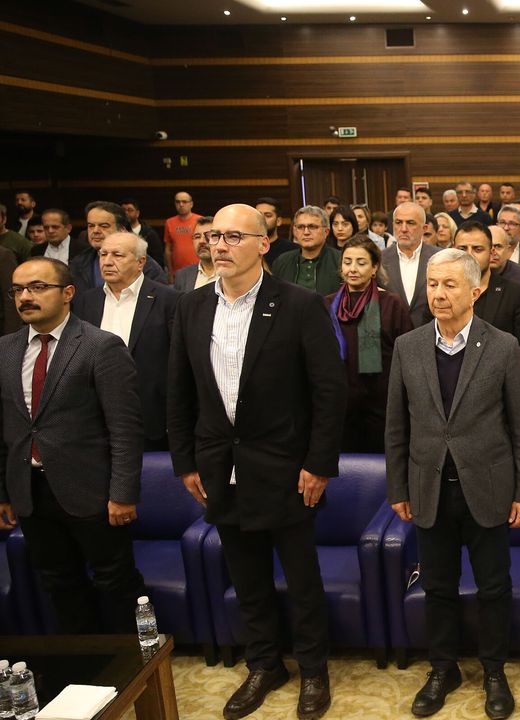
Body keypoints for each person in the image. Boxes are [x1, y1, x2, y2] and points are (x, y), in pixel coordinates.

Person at [168, 204, 346, 720]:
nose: (219, 246)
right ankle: (264, 664)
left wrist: (319, 463)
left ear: (264, 244)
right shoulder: (191, 306)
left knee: (301, 579)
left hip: (286, 467)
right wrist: (185, 462)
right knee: (246, 577)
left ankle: (313, 670)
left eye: (233, 237)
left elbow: (329, 392)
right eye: (214, 236)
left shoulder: (299, 305)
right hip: (219, 464)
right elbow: (178, 390)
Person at [385, 248, 520, 720]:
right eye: (432, 284)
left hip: (487, 487)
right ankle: (442, 668)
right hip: (429, 487)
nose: (438, 293)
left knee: (493, 586)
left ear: (475, 291)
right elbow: (396, 426)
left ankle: (494, 670)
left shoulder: (503, 346)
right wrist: (398, 488)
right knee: (437, 587)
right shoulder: (408, 347)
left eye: (449, 285)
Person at [0, 257, 145, 635]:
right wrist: (4, 493)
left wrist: (123, 493)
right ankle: (86, 663)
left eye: (37, 287)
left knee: (117, 581)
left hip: (92, 491)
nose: (25, 297)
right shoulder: (5, 350)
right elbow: (6, 429)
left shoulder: (100, 346)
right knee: (59, 583)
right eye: (18, 290)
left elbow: (125, 429)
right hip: (30, 491)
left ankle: (139, 660)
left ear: (67, 293)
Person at [74, 231, 179, 451]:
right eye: (103, 254)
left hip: (151, 418)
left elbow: (178, 361)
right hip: (96, 418)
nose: (107, 261)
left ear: (141, 262)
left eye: (117, 255)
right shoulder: (86, 301)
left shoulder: (169, 300)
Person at [326, 237, 412, 453]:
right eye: (347, 262)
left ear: (374, 268)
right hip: (340, 405)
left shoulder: (392, 304)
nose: (352, 269)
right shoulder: (327, 304)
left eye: (361, 263)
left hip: (381, 405)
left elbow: (408, 358)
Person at [451, 222, 520, 389]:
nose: (469, 255)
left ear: (491, 253)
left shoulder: (514, 294)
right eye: (462, 249)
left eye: (477, 249)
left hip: (498, 391)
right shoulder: (441, 294)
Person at [73, 201, 167, 290]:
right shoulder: (77, 263)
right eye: (91, 226)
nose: (95, 231)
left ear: (122, 230)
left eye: (104, 226)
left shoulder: (147, 267)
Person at [383, 203, 441, 328]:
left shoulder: (440, 258)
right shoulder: (380, 259)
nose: (403, 229)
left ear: (424, 228)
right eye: (398, 222)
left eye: (410, 223)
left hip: (431, 334)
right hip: (391, 336)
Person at [271, 206, 343, 296]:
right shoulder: (282, 262)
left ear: (326, 232)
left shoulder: (341, 261)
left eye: (312, 227)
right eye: (300, 227)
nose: (306, 232)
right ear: (295, 231)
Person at [164, 191, 202, 280]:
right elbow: (168, 250)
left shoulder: (200, 220)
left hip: (198, 269)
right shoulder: (169, 222)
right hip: (177, 272)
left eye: (184, 202)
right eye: (178, 202)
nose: (181, 205)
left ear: (191, 204)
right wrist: (170, 271)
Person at [174, 216, 217, 293]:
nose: (201, 241)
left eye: (208, 236)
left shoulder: (231, 273)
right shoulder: (182, 275)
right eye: (197, 237)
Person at [254, 197, 295, 265]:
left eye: (268, 215)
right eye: (259, 215)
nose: (262, 219)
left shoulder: (292, 250)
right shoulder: (247, 246)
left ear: (278, 221)